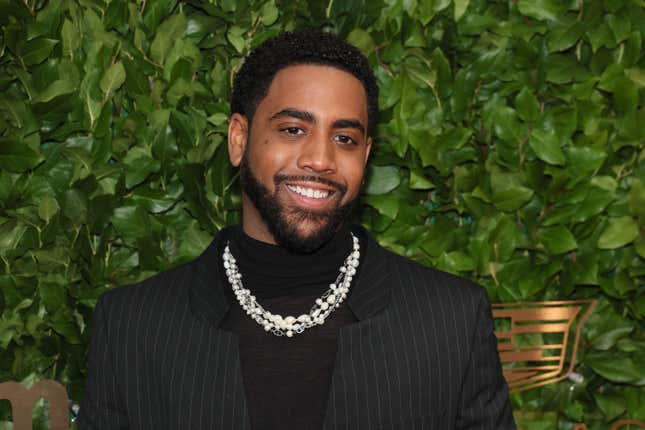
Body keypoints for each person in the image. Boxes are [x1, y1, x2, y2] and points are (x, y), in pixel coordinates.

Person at [78, 30, 515, 429]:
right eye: (293, 129)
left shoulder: (450, 320)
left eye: (344, 138)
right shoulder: (133, 325)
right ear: (238, 139)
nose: (321, 159)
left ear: (365, 156)